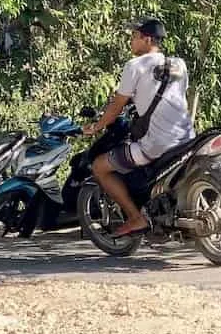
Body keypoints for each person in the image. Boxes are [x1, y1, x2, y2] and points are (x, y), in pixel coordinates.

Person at [83, 18, 195, 237]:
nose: (131, 42)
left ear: (147, 39)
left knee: (99, 166)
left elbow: (117, 106)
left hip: (155, 145)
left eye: (134, 37)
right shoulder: (179, 64)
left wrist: (96, 127)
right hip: (186, 137)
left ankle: (136, 218)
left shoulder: (134, 66)